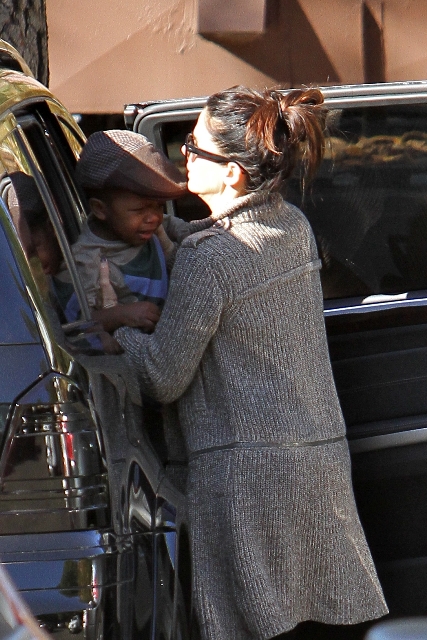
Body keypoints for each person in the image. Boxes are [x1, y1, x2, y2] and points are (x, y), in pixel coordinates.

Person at [114, 86, 388, 639]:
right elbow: (231, 252)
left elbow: (162, 377)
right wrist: (166, 230)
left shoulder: (211, 260)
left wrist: (116, 328)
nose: (184, 154)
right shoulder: (291, 228)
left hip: (245, 482)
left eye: (194, 147)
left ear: (233, 174)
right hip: (315, 468)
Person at [72, 129, 189, 332]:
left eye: (159, 207)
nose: (154, 218)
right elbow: (80, 323)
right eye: (139, 210)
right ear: (100, 209)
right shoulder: (87, 260)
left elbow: (185, 230)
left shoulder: (152, 225)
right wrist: (120, 315)